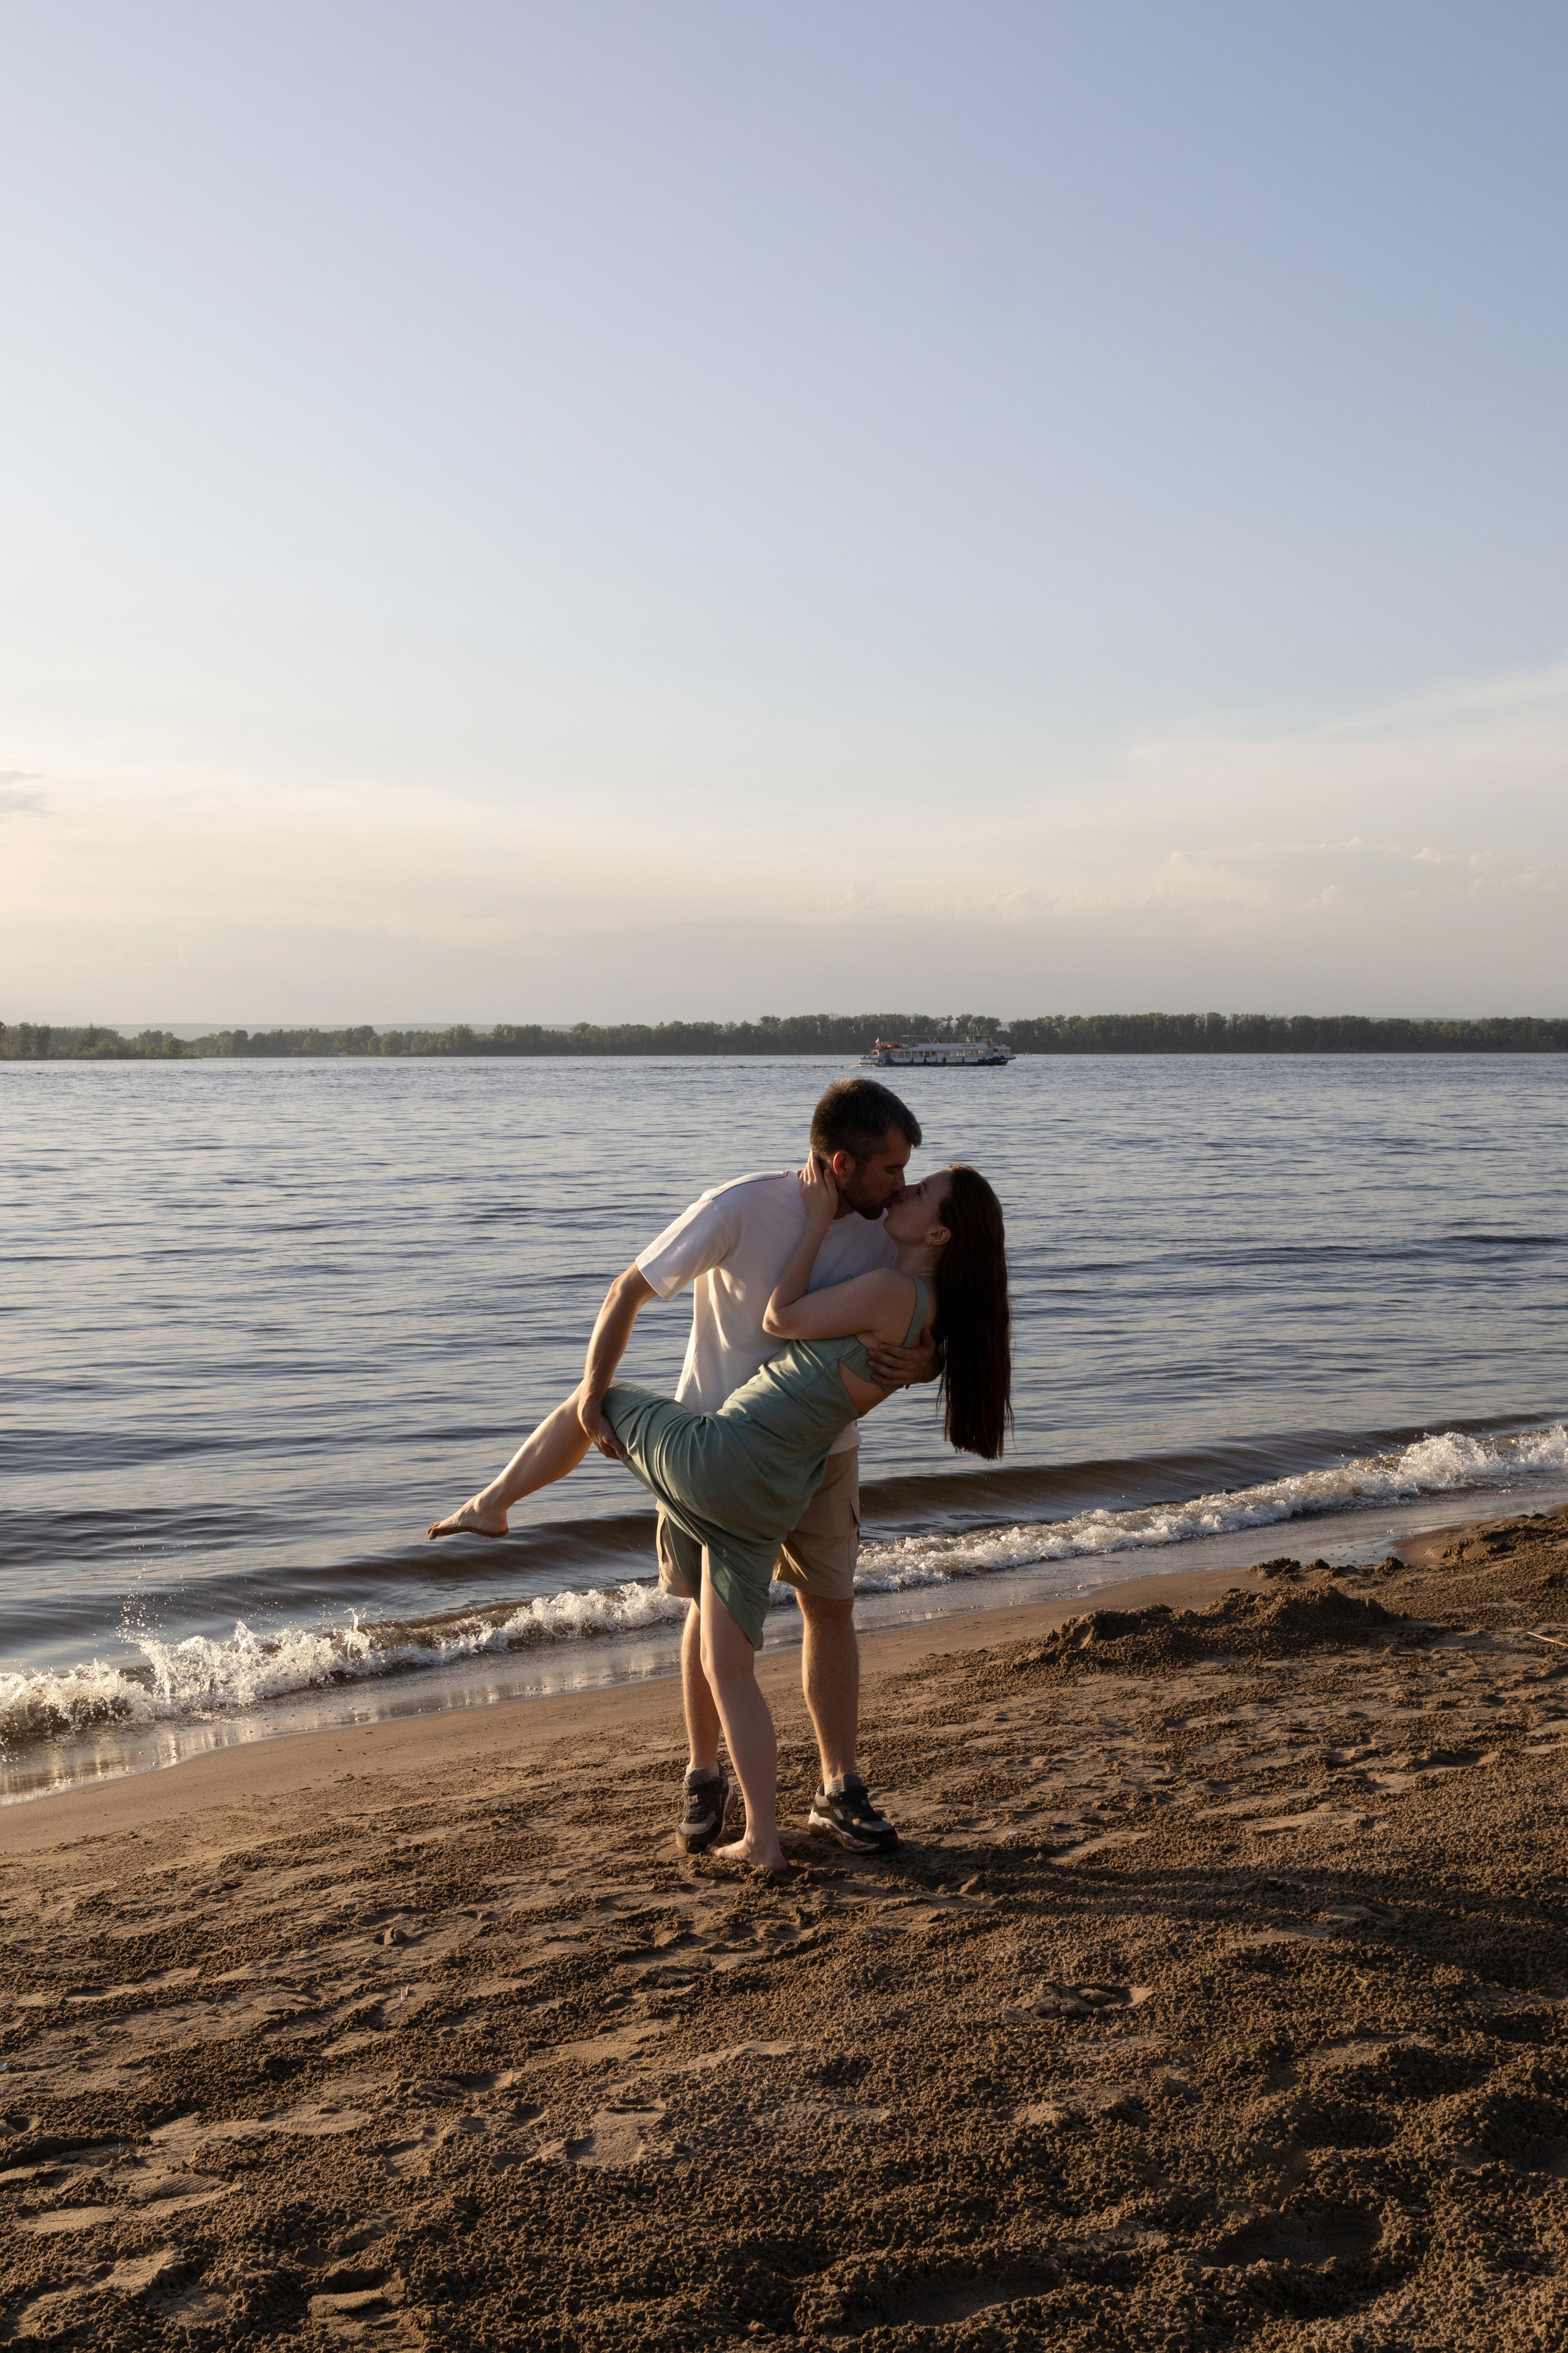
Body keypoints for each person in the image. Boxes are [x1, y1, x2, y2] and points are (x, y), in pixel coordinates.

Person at [429, 1151, 1011, 1873]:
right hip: (770, 1487)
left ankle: (493, 1503)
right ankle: (756, 1833)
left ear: (940, 1235)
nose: (902, 1183)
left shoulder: (890, 1271)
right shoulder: (871, 1257)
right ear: (843, 1160)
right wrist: (926, 1358)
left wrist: (822, 1225)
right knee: (724, 1663)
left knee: (594, 1402)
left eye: (915, 1184)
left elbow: (780, 1313)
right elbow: (944, 1314)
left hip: (725, 1459)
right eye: (895, 1169)